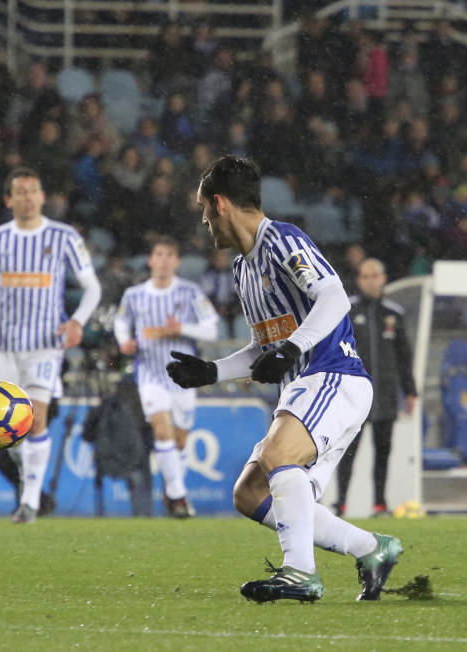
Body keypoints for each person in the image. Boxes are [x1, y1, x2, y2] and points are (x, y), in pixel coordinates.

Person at [165, 155, 402, 603]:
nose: (202, 219)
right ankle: (372, 548)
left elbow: (333, 297)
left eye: (202, 208)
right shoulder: (242, 268)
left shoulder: (281, 240)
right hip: (302, 388)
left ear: (220, 203)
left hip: (333, 375)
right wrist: (212, 371)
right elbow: (263, 345)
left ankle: (299, 573)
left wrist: (292, 349)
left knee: (277, 458)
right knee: (250, 492)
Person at [0, 167, 102, 524]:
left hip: (46, 344)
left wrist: (77, 321)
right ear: (9, 200)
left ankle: (31, 503)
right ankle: (28, 483)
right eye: (19, 192)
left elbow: (92, 287)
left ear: (42, 196)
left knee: (35, 418)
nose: (27, 197)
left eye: (33, 190)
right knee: (13, 432)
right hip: (5, 346)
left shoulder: (64, 236)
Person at [112, 235, 220, 518]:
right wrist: (125, 342)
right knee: (162, 429)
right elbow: (121, 323)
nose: (162, 260)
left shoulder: (190, 293)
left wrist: (181, 328)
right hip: (149, 373)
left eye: (168, 255)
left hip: (183, 375)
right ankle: (178, 495)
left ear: (177, 262)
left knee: (180, 440)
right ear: (151, 260)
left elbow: (211, 329)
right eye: (158, 254)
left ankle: (173, 491)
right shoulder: (134, 295)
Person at [334, 257, 417, 516]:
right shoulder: (347, 311)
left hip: (386, 394)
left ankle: (380, 504)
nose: (371, 281)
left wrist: (411, 391)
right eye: (365, 276)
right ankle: (341, 503)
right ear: (359, 281)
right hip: (353, 397)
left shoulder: (394, 314)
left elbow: (404, 357)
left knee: (383, 452)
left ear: (384, 279)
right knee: (348, 452)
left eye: (375, 275)